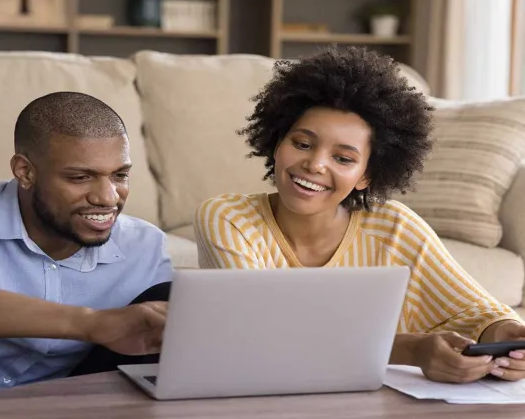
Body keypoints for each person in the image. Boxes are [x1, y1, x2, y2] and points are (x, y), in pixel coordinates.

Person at [194, 45, 525, 384]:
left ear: (366, 175)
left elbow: (477, 312)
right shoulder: (228, 218)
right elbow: (266, 334)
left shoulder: (395, 227)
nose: (315, 164)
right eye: (303, 144)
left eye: (344, 158)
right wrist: (409, 350)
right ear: (277, 143)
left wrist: (507, 338)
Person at [0, 92, 172, 398]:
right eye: (81, 177)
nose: (108, 197)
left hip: (72, 403)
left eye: (120, 175)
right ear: (25, 171)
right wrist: (89, 323)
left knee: (171, 302)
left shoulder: (145, 249)